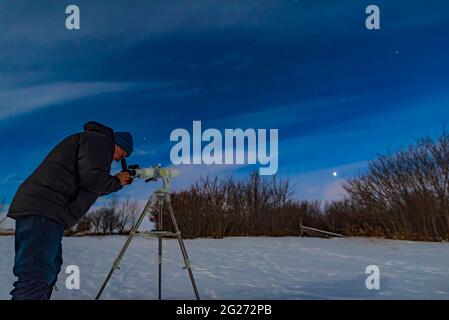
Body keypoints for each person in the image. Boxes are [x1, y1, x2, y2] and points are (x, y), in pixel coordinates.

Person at [7, 121, 134, 300]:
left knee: (48, 271)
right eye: (122, 155)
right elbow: (92, 180)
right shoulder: (99, 141)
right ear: (119, 144)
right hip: (44, 209)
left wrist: (115, 182)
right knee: (36, 276)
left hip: (48, 211)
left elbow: (90, 184)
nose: (118, 160)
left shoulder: (94, 144)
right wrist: (116, 182)